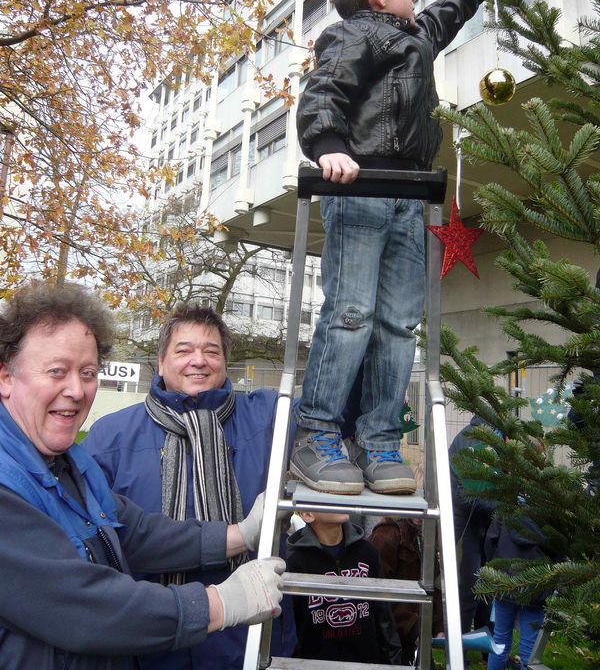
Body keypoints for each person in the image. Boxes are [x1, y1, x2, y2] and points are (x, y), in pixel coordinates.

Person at [293, 0, 512, 495]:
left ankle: (379, 438)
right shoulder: (354, 36)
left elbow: (441, 16)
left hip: (409, 196)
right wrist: (328, 147)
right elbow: (325, 90)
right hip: (362, 188)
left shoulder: (413, 38)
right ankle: (317, 432)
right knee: (351, 313)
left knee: (397, 324)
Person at [0, 282, 285, 670]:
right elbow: (85, 609)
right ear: (6, 377)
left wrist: (240, 534)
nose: (76, 390)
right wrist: (220, 604)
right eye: (56, 371)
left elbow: (133, 533)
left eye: (88, 373)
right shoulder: (9, 483)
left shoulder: (68, 463)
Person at [84, 302, 296, 670]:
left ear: (225, 362)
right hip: (152, 645)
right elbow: (102, 544)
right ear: (161, 362)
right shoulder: (110, 437)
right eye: (184, 351)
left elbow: (332, 405)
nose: (198, 360)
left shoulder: (268, 417)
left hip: (253, 635)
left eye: (211, 351)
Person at [286, 508, 402, 664]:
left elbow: (384, 617)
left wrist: (393, 663)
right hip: (314, 664)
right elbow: (290, 626)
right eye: (328, 496)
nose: (339, 502)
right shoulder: (294, 561)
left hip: (366, 664)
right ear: (308, 515)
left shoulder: (367, 552)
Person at [368, 514, 444, 665]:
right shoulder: (385, 537)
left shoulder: (430, 533)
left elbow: (435, 586)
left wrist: (439, 628)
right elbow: (380, 594)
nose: (421, 515)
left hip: (418, 636)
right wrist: (414, 628)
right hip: (390, 640)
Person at [449, 416, 497, 637]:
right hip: (466, 523)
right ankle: (460, 652)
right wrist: (501, 508)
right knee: (469, 590)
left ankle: (486, 646)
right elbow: (467, 495)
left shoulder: (489, 438)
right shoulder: (472, 442)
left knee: (487, 587)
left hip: (485, 522)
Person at [484, 517, 549, 670]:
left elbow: (490, 541)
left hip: (504, 582)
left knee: (499, 640)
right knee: (529, 649)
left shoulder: (506, 508)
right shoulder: (549, 512)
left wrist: (495, 569)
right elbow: (559, 548)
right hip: (536, 586)